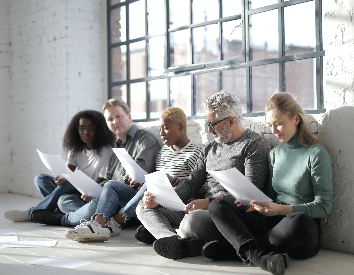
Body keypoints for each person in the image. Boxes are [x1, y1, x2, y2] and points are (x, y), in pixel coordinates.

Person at [200, 93, 333, 275]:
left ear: (296, 119)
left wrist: (279, 209)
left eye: (278, 123)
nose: (274, 131)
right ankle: (259, 257)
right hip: (272, 224)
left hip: (300, 231)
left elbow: (324, 207)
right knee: (217, 204)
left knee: (301, 220)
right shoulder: (275, 154)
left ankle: (236, 251)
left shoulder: (316, 154)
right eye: (270, 125)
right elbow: (270, 196)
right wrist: (256, 206)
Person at [137, 91, 270, 257]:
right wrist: (162, 198)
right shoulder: (209, 148)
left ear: (230, 120)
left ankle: (185, 238)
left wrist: (208, 203)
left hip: (228, 215)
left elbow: (251, 193)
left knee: (192, 221)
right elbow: (191, 183)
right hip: (201, 210)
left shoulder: (253, 144)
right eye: (207, 124)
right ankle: (173, 240)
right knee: (143, 206)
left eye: (212, 124)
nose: (208, 129)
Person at [65, 107, 203, 242]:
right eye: (160, 129)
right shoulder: (164, 152)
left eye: (165, 128)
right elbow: (154, 181)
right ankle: (98, 223)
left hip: (174, 205)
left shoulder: (195, 153)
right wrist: (141, 185)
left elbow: (203, 188)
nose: (161, 133)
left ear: (180, 127)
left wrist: (185, 182)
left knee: (163, 178)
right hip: (150, 201)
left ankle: (115, 222)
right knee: (112, 184)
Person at [29, 98, 161, 238]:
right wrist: (95, 191)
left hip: (132, 198)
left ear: (129, 117)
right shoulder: (116, 146)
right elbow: (109, 178)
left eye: (118, 117)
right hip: (111, 196)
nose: (115, 122)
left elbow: (139, 177)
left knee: (94, 204)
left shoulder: (145, 139)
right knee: (64, 201)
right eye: (110, 119)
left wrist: (106, 189)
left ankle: (62, 219)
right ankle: (87, 215)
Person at [4, 110, 116, 222]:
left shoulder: (105, 151)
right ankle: (55, 210)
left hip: (91, 192)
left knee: (65, 192)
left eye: (90, 128)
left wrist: (68, 181)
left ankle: (32, 213)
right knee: (41, 179)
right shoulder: (75, 149)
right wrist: (60, 179)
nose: (85, 132)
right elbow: (67, 172)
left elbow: (100, 183)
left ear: (99, 129)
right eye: (82, 128)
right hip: (75, 189)